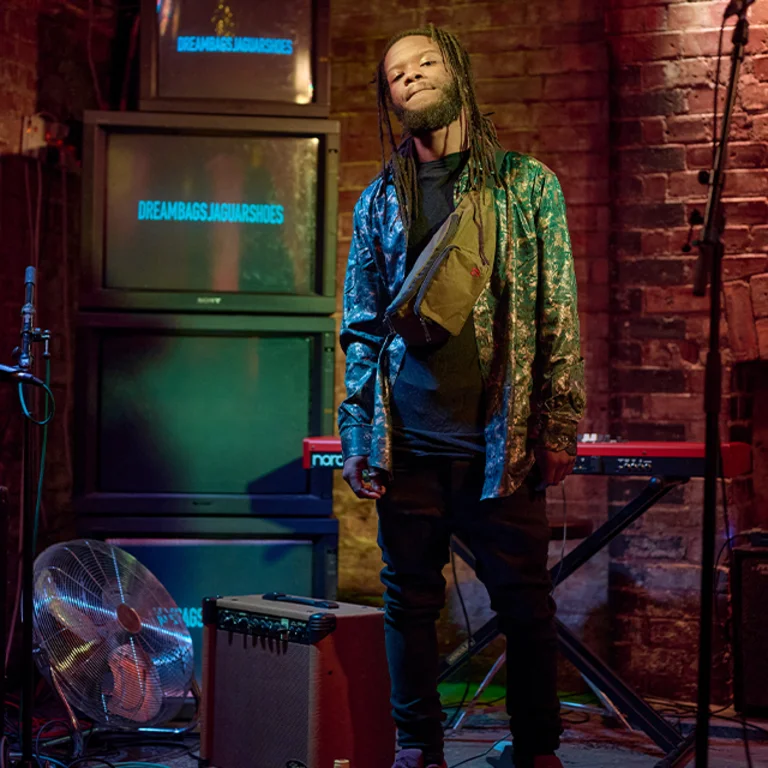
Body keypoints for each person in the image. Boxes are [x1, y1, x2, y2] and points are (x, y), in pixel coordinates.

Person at [338, 24, 585, 768]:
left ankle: (536, 750)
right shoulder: (380, 202)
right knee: (409, 603)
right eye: (394, 75)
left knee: (525, 607)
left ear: (460, 76)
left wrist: (561, 422)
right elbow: (359, 327)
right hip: (407, 444)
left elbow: (558, 310)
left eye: (424, 63)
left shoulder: (526, 185)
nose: (408, 79)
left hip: (498, 445)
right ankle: (419, 748)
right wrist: (357, 434)